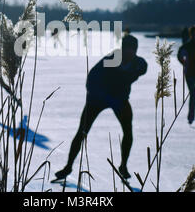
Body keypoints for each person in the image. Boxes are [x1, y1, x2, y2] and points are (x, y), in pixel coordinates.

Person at [55, 35, 148, 180]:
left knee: (128, 132)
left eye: (132, 50)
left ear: (135, 51)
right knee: (82, 132)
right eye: (126, 49)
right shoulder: (111, 60)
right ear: (122, 49)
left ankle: (123, 166)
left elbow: (143, 67)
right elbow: (92, 78)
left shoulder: (138, 63)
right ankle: (68, 167)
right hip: (98, 99)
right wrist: (98, 94)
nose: (129, 53)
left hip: (119, 100)